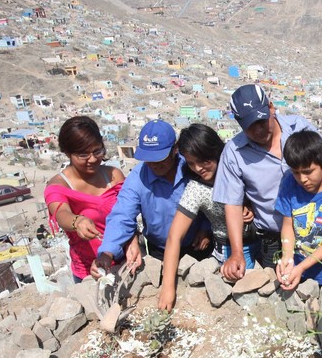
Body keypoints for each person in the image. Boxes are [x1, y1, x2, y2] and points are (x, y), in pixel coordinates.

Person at [213, 84, 322, 281]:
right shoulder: (233, 153)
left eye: (261, 121)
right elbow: (232, 204)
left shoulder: (299, 128)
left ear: (271, 107)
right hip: (274, 239)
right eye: (250, 126)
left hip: (319, 232)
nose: (258, 129)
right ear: (238, 122)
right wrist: (236, 253)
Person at [157, 124, 257, 311]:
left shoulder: (238, 171)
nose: (198, 168)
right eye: (191, 163)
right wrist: (168, 288)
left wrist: (251, 206)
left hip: (261, 243)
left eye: (203, 161)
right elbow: (174, 237)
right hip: (228, 250)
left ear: (215, 151)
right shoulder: (197, 189)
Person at [91, 119, 207, 279]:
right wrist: (107, 252)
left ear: (175, 149)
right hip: (159, 250)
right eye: (149, 159)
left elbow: (213, 194)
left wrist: (206, 227)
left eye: (160, 158)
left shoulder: (192, 167)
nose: (154, 165)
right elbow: (122, 216)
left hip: (197, 245)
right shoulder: (138, 178)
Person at [44, 116, 125, 282]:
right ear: (68, 153)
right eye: (83, 155)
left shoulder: (114, 175)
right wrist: (78, 221)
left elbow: (127, 213)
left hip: (125, 260)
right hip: (90, 271)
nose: (93, 159)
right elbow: (62, 214)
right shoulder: (58, 186)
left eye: (97, 151)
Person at [275, 130, 322, 290]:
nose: (302, 179)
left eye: (308, 171)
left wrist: (302, 266)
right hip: (300, 270)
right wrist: (287, 256)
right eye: (296, 172)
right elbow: (288, 225)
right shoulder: (289, 183)